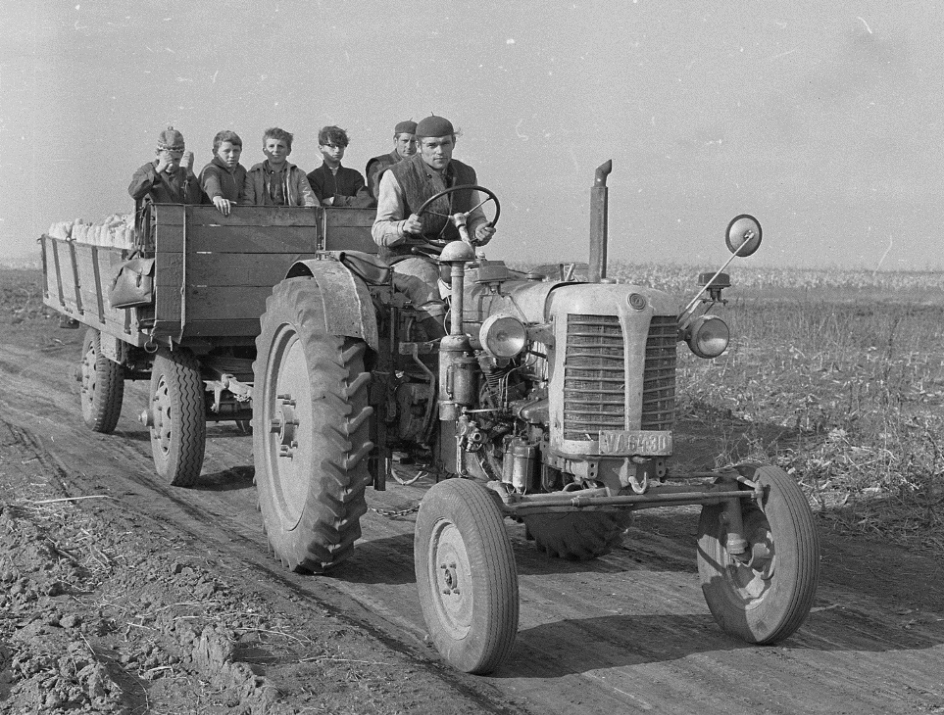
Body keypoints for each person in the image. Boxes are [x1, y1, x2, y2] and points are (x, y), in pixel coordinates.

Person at [372, 115, 496, 338]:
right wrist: (403, 227)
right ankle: (441, 355)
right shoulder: (396, 175)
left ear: (453, 143)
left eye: (445, 144)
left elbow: (476, 217)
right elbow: (379, 230)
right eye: (432, 145)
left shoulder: (466, 174)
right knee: (427, 287)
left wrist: (480, 230)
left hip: (454, 258)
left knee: (486, 291)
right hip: (406, 257)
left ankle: (490, 356)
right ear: (419, 146)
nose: (440, 151)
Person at [128, 126, 202, 209]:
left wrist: (189, 175)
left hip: (181, 220)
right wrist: (157, 171)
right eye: (167, 160)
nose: (171, 164)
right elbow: (134, 192)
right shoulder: (147, 170)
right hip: (155, 221)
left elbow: (197, 203)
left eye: (176, 159)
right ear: (157, 154)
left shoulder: (185, 173)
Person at [241, 127, 317, 207]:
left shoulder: (298, 174)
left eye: (280, 146)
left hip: (291, 217)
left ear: (288, 151)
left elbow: (308, 198)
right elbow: (248, 202)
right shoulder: (253, 174)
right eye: (271, 146)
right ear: (264, 151)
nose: (276, 150)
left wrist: (309, 208)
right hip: (261, 217)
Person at [306, 126, 374, 208]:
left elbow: (366, 202)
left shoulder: (354, 176)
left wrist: (335, 200)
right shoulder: (313, 178)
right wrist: (351, 202)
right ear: (321, 148)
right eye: (332, 145)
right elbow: (316, 206)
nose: (337, 150)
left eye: (341, 146)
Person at [364, 120, 417, 198]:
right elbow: (376, 199)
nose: (409, 146)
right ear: (396, 142)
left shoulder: (422, 167)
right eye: (404, 141)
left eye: (413, 142)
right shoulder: (379, 165)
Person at [198, 130, 246, 216]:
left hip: (236, 222)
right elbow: (211, 184)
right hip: (211, 222)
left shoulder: (241, 171)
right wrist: (217, 198)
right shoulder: (210, 170)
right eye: (227, 151)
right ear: (215, 152)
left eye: (236, 151)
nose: (232, 155)